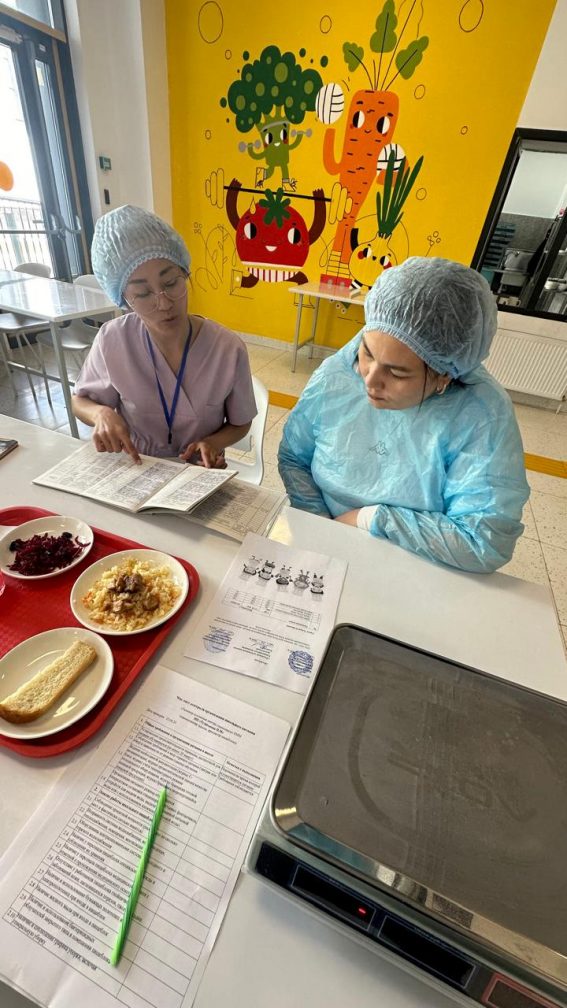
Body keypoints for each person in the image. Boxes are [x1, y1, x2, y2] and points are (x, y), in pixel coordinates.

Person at [278, 257, 529, 573]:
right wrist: (319, 524)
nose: (369, 380)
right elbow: (295, 457)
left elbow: (483, 541)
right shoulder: (339, 372)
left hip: (413, 563)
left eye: (397, 373)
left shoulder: (480, 416)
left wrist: (372, 519)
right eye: (367, 352)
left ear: (444, 376)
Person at [72, 205, 256, 465]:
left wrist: (213, 443)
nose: (164, 303)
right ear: (123, 299)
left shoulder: (227, 348)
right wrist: (100, 413)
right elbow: (80, 401)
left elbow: (241, 423)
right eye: (143, 294)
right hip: (137, 464)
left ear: (185, 274)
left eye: (171, 283)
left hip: (198, 470)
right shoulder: (113, 340)